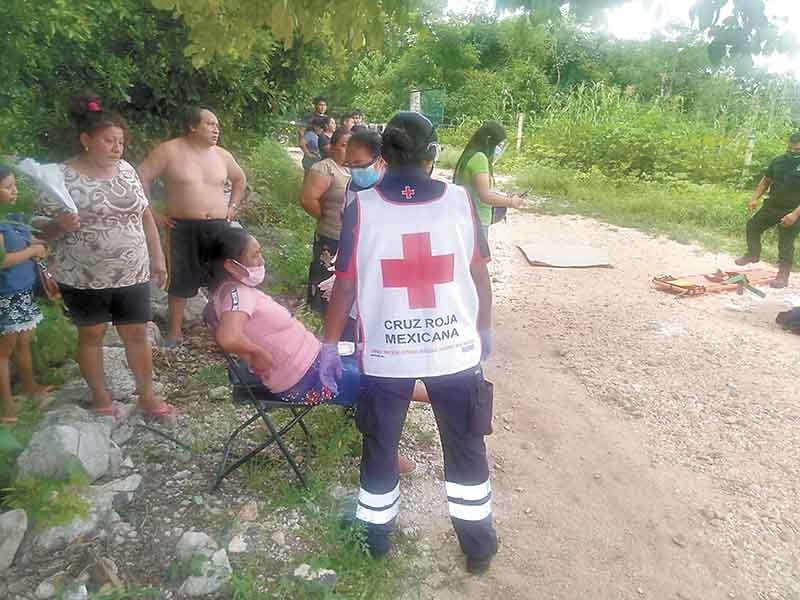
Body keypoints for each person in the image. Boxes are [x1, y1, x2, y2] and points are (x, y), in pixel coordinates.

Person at [321, 112, 497, 572]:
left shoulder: (361, 206)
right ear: (432, 155)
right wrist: (484, 329)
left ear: (382, 157)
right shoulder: (460, 201)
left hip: (385, 352)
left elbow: (343, 285)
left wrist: (328, 347)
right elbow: (479, 273)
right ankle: (478, 548)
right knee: (465, 446)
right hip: (455, 349)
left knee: (380, 446)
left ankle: (374, 540)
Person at [34, 93, 172, 419]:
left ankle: (147, 397)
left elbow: (145, 214)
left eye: (120, 142)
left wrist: (158, 257)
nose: (117, 148)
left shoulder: (126, 170)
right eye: (109, 141)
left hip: (132, 271)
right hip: (83, 274)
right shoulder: (60, 176)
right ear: (86, 140)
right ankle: (101, 398)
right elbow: (39, 230)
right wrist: (58, 224)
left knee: (137, 333)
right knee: (92, 335)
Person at [208, 227, 356, 405]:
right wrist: (258, 353)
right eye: (254, 256)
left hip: (309, 366)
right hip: (307, 378)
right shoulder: (238, 294)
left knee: (365, 360)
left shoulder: (224, 292)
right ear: (231, 265)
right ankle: (373, 427)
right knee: (381, 382)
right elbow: (228, 337)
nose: (261, 260)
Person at [138, 106, 247, 347]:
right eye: (210, 124)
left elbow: (240, 179)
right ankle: (175, 332)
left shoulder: (222, 155)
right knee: (180, 279)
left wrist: (233, 206)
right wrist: (152, 212)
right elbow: (142, 176)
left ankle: (224, 327)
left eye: (217, 125)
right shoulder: (169, 150)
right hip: (182, 226)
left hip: (219, 225)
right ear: (192, 126)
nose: (216, 129)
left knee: (224, 277)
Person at [0, 166, 52, 424]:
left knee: (24, 341)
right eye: (7, 187)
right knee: (4, 351)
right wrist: (32, 252)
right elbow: (2, 260)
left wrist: (39, 245)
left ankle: (29, 387)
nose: (14, 190)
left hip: (23, 291)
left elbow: (31, 240)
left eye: (14, 185)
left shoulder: (13, 219)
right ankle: (7, 407)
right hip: (6, 295)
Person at [735, 132, 800, 288]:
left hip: (794, 211)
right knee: (753, 226)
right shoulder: (778, 161)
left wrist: (794, 215)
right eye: (791, 149)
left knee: (785, 243)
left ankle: (782, 277)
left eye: (798, 150)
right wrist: (754, 198)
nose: (794, 153)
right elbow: (766, 180)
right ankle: (753, 254)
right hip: (772, 206)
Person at [300, 128, 352, 313]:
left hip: (351, 235)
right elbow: (308, 199)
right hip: (331, 233)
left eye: (351, 146)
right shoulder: (325, 168)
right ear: (332, 147)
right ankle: (316, 311)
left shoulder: (354, 169)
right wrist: (325, 217)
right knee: (324, 272)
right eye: (344, 145)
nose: (347, 150)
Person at [453, 121, 523, 241]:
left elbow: (477, 189)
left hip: (466, 218)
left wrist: (502, 196)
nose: (500, 149)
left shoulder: (470, 155)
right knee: (479, 258)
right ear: (489, 142)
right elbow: (484, 195)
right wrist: (511, 202)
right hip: (477, 221)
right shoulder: (480, 158)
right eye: (499, 145)